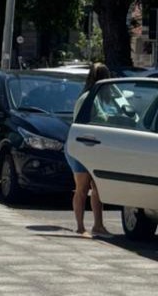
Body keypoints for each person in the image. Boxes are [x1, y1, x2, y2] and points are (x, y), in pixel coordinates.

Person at [66, 61, 112, 237]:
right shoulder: (87, 98)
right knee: (82, 188)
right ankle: (80, 226)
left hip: (95, 147)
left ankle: (98, 225)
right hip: (81, 147)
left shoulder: (105, 98)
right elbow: (100, 118)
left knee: (97, 187)